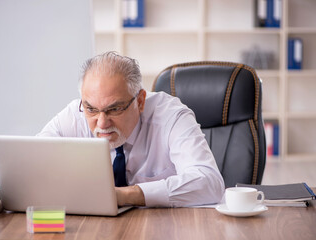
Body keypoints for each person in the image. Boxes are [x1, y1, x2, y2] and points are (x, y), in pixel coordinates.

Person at [37, 51, 225, 207]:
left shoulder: (171, 117)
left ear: (140, 101)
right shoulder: (74, 115)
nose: (102, 124)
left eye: (114, 109)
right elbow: (33, 162)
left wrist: (124, 195)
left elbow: (209, 183)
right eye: (92, 109)